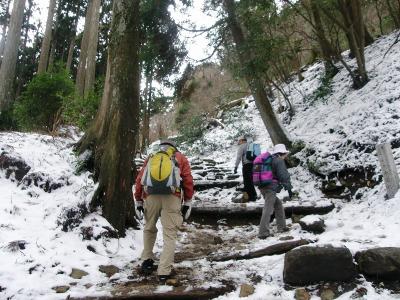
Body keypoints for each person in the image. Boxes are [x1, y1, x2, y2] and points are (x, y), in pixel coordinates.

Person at [134, 139, 194, 283]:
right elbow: (187, 179)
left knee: (149, 228)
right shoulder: (180, 157)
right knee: (169, 235)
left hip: (151, 196)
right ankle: (163, 272)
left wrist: (138, 200)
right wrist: (188, 201)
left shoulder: (152, 156)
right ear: (174, 147)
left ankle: (147, 260)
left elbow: (140, 178)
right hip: (172, 196)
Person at [258, 143, 293, 239]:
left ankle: (282, 227)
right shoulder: (278, 160)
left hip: (262, 186)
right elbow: (283, 176)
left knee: (278, 205)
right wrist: (289, 188)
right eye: (285, 154)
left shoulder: (269, 159)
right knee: (268, 209)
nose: (286, 156)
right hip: (270, 188)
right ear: (282, 153)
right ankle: (263, 232)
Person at [233, 136, 257, 202]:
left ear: (242, 140)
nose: (239, 142)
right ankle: (251, 195)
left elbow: (239, 157)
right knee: (250, 181)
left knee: (247, 181)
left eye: (239, 141)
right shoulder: (251, 145)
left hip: (247, 165)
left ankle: (251, 197)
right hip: (254, 164)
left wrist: (236, 167)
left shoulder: (242, 146)